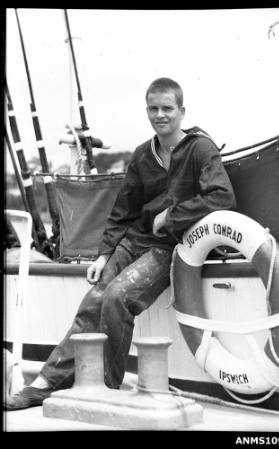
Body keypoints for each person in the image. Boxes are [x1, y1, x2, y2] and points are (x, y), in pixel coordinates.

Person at [6, 77, 236, 410]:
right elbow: (122, 211)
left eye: (167, 108)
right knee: (92, 303)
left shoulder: (201, 149)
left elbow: (222, 196)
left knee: (116, 297)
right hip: (133, 242)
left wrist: (172, 216)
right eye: (153, 108)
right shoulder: (143, 154)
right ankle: (44, 383)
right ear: (147, 111)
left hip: (168, 247)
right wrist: (103, 255)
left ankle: (106, 388)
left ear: (181, 111)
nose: (160, 115)